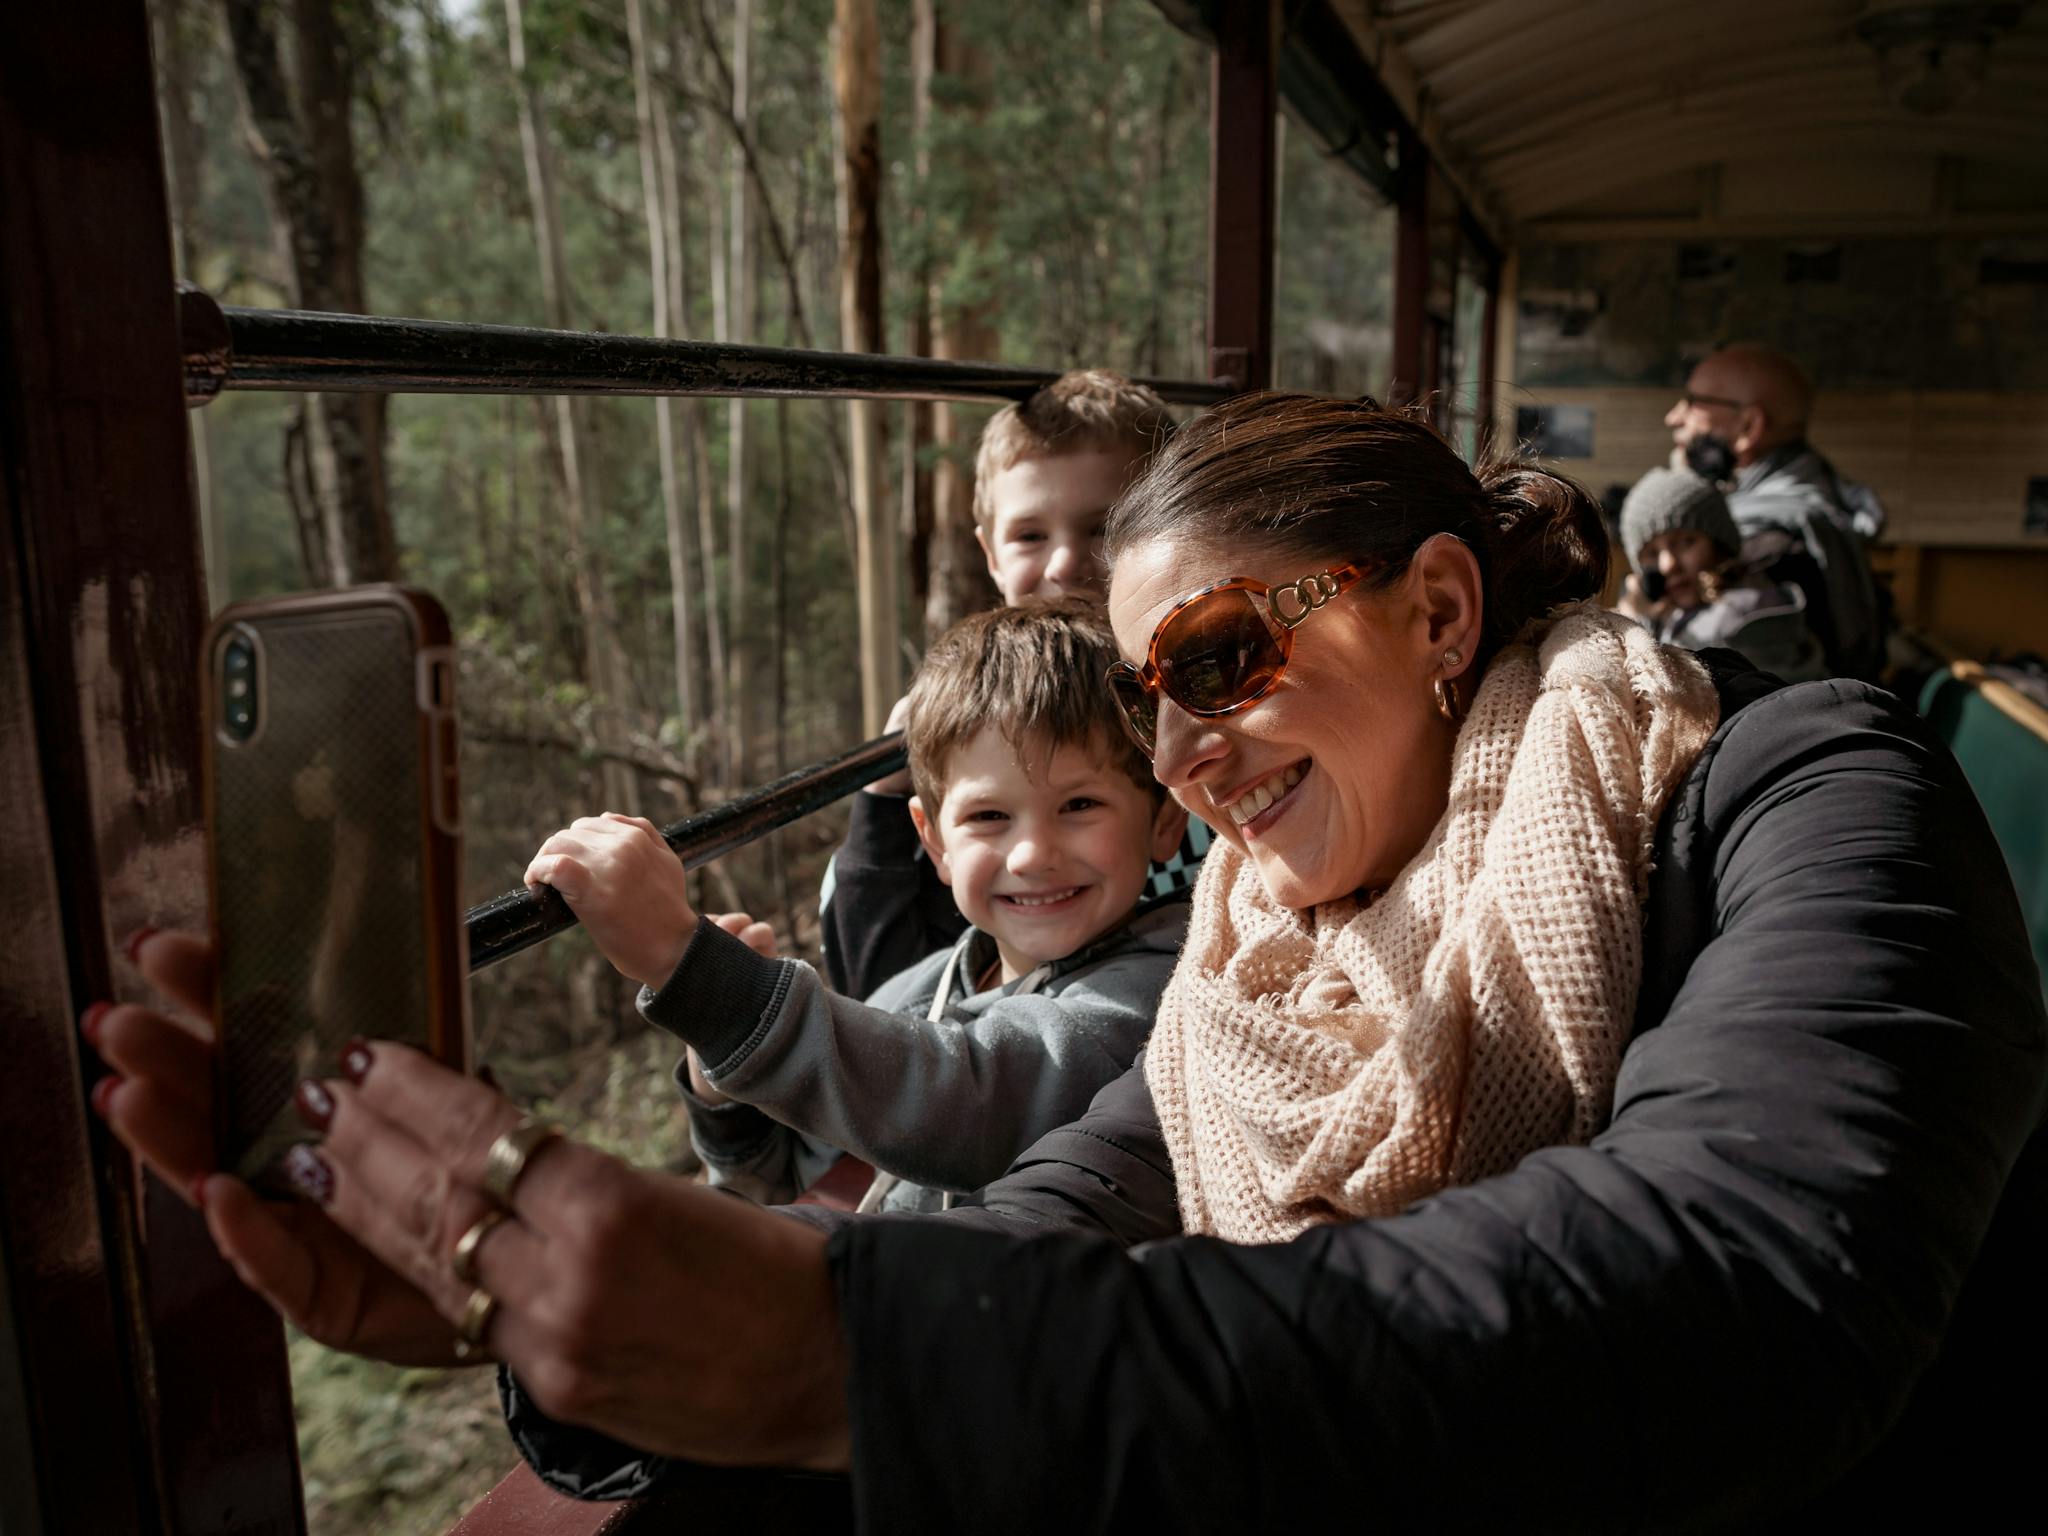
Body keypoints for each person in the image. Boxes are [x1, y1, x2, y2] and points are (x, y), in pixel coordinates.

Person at [89, 393, 2045, 1530]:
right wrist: (584, 1351)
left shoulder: (1796, 789)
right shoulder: (1251, 952)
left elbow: (1749, 1282)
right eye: (1143, 700)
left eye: (1219, 661)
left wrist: (841, 1359)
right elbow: (1058, 1212)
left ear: (1439, 610)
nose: (1180, 760)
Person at [522, 600, 1188, 1213]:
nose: (1031, 855)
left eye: (1079, 805)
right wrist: (720, 1081)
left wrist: (694, 971)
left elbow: (966, 1101)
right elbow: (776, 1182)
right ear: (934, 843)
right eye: (989, 816)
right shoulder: (916, 992)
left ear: (1164, 820)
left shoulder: (1156, 993)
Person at [820, 368, 1207, 1002]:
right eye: (1030, 535)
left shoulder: (1221, 713)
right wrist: (883, 797)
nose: (1065, 563)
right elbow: (878, 988)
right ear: (991, 554)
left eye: (1103, 529)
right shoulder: (970, 725)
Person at [1664, 342, 1887, 679]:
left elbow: (1690, 665)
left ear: (1749, 427)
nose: (1673, 417)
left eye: (1694, 402)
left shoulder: (1759, 545)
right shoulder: (1825, 499)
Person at [1614, 465, 1826, 682]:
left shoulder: (1741, 616)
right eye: (1652, 553)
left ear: (1719, 545)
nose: (1668, 565)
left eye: (1686, 542)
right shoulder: (1676, 611)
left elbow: (1668, 691)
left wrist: (1634, 625)